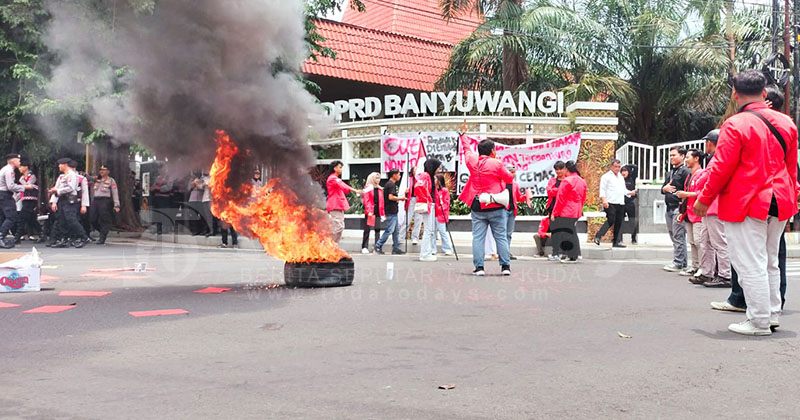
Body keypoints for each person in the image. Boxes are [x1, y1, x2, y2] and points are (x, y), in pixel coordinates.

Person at [694, 69, 798, 336]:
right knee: (770, 261)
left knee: (750, 262)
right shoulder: (787, 123)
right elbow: (791, 168)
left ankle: (759, 321)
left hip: (748, 201)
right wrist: (794, 198)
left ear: (735, 94)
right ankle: (771, 315)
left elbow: (721, 168)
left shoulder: (735, 124)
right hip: (781, 200)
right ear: (764, 93)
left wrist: (704, 200)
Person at [458, 138, 514, 276]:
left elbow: (467, 150)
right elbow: (509, 178)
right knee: (501, 237)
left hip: (477, 203)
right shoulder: (496, 163)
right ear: (492, 151)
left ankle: (479, 268)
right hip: (496, 203)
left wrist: (463, 136)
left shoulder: (472, 161)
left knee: (478, 237)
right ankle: (505, 266)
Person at [693, 129, 732, 288]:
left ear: (710, 143)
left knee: (719, 242)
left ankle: (725, 274)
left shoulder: (717, 159)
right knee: (705, 242)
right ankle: (707, 272)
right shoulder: (714, 158)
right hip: (710, 207)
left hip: (714, 207)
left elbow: (704, 179)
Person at [676, 149, 707, 281]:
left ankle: (702, 267)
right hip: (689, 212)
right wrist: (682, 212)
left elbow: (703, 192)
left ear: (696, 159)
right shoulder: (690, 175)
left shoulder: (702, 173)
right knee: (692, 242)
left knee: (699, 241)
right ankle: (694, 265)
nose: (686, 159)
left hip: (698, 213)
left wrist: (686, 194)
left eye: (688, 157)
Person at [550, 161, 587, 263]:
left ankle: (571, 256)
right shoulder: (582, 181)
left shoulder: (567, 181)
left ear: (567, 169)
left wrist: (555, 213)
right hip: (576, 210)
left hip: (566, 210)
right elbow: (583, 197)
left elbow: (560, 198)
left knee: (566, 233)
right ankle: (576, 254)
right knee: (572, 232)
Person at [661, 146, 691, 272]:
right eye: (670, 155)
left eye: (674, 155)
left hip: (678, 208)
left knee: (679, 235)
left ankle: (678, 262)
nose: (672, 158)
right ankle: (682, 261)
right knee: (673, 235)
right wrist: (664, 189)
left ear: (682, 156)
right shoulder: (671, 172)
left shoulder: (685, 172)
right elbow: (663, 189)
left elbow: (688, 190)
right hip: (669, 207)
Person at [49, 158, 90, 248]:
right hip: (62, 200)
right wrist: (54, 201)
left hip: (70, 201)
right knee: (61, 220)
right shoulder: (63, 176)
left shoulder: (72, 175)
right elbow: (58, 188)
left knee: (71, 220)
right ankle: (64, 239)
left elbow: (71, 188)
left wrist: (57, 190)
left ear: (65, 165)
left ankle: (84, 237)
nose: (59, 166)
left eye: (60, 164)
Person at [594, 159, 632, 248]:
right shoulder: (606, 176)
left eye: (619, 167)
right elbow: (602, 189)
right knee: (611, 219)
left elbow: (623, 190)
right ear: (611, 167)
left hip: (620, 202)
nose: (617, 169)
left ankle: (616, 241)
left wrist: (630, 193)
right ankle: (598, 235)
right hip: (610, 202)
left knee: (619, 221)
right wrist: (604, 200)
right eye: (615, 167)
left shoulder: (620, 177)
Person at [0, 153, 35, 248]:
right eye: (18, 160)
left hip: (2, 195)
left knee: (3, 217)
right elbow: (10, 186)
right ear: (13, 161)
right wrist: (25, 187)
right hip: (5, 195)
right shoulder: (9, 170)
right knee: (12, 217)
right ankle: (1, 237)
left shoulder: (5, 169)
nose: (19, 162)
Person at [534, 161, 566, 258]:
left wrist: (557, 190)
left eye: (560, 169)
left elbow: (565, 192)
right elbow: (549, 192)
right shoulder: (552, 180)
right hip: (552, 208)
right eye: (557, 169)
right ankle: (555, 252)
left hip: (564, 209)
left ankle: (564, 252)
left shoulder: (567, 180)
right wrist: (560, 190)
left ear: (565, 169)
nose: (559, 171)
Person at [325, 160, 361, 244]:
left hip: (338, 205)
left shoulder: (335, 178)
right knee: (338, 227)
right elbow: (343, 185)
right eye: (340, 167)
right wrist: (355, 190)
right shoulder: (332, 178)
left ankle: (333, 246)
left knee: (340, 227)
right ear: (335, 168)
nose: (341, 169)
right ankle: (328, 244)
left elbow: (344, 188)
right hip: (335, 205)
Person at [415, 158, 441, 262]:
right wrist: (428, 198)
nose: (439, 169)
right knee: (428, 230)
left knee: (430, 230)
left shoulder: (429, 176)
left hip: (430, 204)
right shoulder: (425, 175)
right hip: (428, 204)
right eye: (437, 167)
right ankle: (425, 254)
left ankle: (427, 252)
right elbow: (418, 187)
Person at [375, 169, 406, 255]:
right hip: (390, 210)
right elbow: (391, 197)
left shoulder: (389, 184)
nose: (399, 176)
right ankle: (378, 245)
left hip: (393, 210)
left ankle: (396, 248)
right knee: (390, 230)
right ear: (394, 175)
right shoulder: (391, 185)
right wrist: (401, 199)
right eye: (398, 174)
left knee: (396, 231)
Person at [91, 165, 120, 245]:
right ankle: (103, 231)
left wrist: (116, 204)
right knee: (92, 218)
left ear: (108, 171)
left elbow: (115, 192)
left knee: (105, 219)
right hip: (96, 200)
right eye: (100, 170)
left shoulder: (111, 180)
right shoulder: (97, 179)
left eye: (104, 170)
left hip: (105, 201)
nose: (101, 171)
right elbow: (89, 179)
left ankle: (102, 237)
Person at [15, 160, 43, 242]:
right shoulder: (22, 177)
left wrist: (22, 181)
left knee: (22, 217)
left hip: (31, 199)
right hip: (24, 199)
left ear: (26, 167)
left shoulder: (31, 176)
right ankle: (41, 233)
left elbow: (29, 185)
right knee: (31, 218)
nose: (19, 168)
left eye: (21, 167)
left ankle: (17, 237)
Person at [505, 164, 526, 260]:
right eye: (511, 172)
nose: (512, 174)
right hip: (503, 211)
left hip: (512, 211)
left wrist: (526, 196)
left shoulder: (515, 185)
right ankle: (502, 252)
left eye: (514, 172)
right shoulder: (501, 183)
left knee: (509, 233)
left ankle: (507, 252)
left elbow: (519, 198)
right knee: (502, 233)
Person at [360, 172, 384, 254]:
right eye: (376, 178)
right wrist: (369, 211)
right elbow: (366, 200)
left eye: (379, 178)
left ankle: (377, 246)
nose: (378, 180)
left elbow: (381, 202)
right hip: (370, 211)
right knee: (367, 229)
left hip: (378, 211)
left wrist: (382, 213)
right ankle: (364, 246)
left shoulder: (380, 189)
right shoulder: (368, 188)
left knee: (377, 229)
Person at [432, 174, 454, 256]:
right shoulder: (434, 190)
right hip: (434, 214)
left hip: (441, 214)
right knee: (432, 232)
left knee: (442, 232)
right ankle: (433, 248)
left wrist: (440, 208)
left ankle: (447, 248)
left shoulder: (444, 190)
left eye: (435, 179)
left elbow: (446, 202)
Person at [406, 166, 425, 246]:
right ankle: (402, 235)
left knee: (418, 219)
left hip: (419, 199)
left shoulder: (422, 179)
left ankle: (415, 237)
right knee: (408, 218)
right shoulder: (408, 179)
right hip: (411, 199)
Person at [621, 164, 638, 244]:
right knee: (620, 220)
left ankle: (633, 238)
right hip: (621, 202)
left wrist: (627, 165)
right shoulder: (619, 180)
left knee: (632, 220)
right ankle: (619, 238)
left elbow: (636, 167)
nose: (623, 173)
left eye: (625, 171)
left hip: (630, 202)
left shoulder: (632, 178)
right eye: (622, 171)